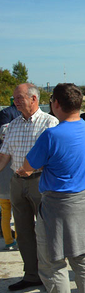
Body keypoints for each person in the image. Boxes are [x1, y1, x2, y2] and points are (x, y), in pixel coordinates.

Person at [18, 83, 85, 293]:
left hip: (57, 204)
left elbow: (28, 165)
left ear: (55, 104)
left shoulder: (52, 135)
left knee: (53, 263)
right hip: (84, 201)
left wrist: (26, 171)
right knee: (83, 258)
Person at [0, 83, 59, 291]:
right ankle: (32, 275)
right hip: (17, 183)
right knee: (24, 232)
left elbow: (54, 156)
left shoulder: (50, 123)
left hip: (40, 182)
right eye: (14, 98)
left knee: (45, 231)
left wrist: (32, 167)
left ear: (34, 99)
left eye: (19, 97)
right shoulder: (13, 125)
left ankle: (50, 275)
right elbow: (4, 156)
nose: (15, 101)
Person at [0, 101, 20, 251]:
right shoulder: (15, 151)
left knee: (6, 214)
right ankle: (20, 239)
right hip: (14, 184)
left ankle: (8, 240)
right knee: (19, 213)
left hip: (2, 186)